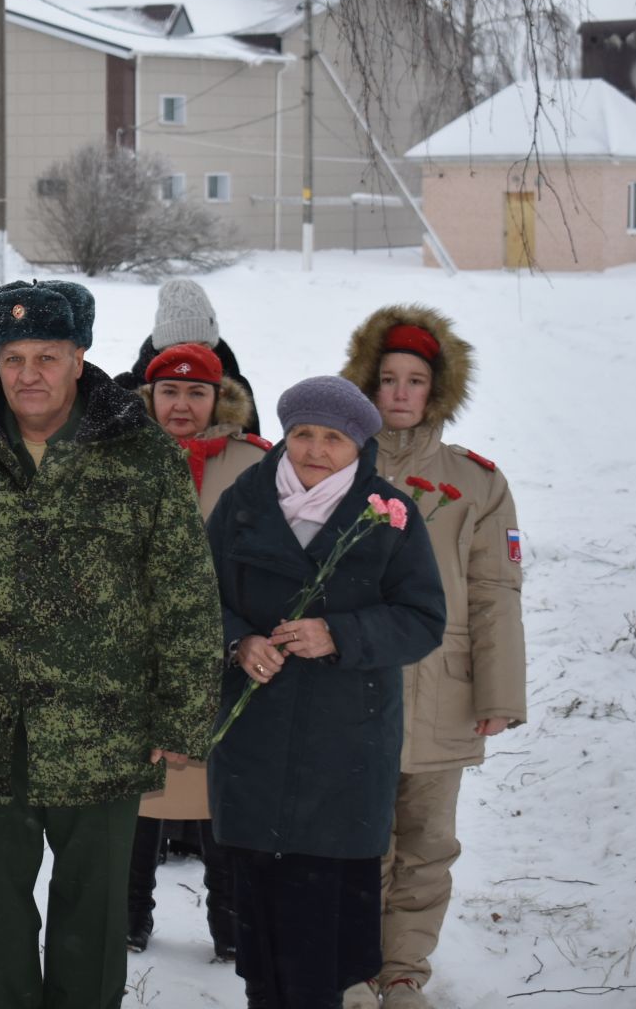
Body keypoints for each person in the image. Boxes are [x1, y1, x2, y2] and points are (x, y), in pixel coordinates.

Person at [0, 279, 224, 1009]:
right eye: (12, 358)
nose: (29, 375)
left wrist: (183, 717)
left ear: (79, 357)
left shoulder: (139, 454)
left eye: (47, 355)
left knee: (94, 914)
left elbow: (185, 591)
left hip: (105, 727)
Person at [207, 377, 446, 1009]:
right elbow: (199, 599)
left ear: (359, 446)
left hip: (346, 745)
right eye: (303, 434)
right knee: (261, 933)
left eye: (333, 439)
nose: (315, 449)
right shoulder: (244, 501)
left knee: (322, 937)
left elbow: (422, 619)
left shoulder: (388, 513)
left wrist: (336, 633)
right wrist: (240, 643)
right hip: (256, 741)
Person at [337, 307, 526, 1009]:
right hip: (350, 686)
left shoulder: (475, 482)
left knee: (425, 843)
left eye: (416, 380)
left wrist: (498, 693)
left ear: (438, 389)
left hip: (443, 690)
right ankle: (353, 966)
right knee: (357, 838)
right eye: (386, 378)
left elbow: (494, 592)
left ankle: (405, 971)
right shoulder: (330, 462)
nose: (400, 393)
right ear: (365, 384)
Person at [126, 343, 270, 958]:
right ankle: (127, 915)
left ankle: (232, 925)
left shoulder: (256, 466)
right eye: (169, 392)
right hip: (138, 660)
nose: (181, 404)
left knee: (221, 797)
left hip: (225, 659)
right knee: (136, 793)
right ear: (149, 398)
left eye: (196, 393)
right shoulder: (116, 460)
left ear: (219, 399)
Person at [115, 279, 262, 436]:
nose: (192, 355)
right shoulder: (125, 389)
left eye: (202, 347)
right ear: (161, 348)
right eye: (181, 347)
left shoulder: (236, 391)